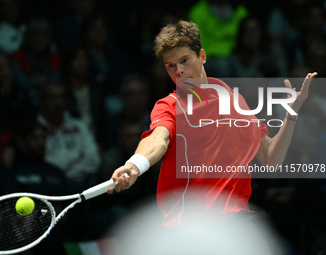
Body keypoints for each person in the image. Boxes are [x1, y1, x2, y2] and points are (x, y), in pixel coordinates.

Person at [109, 20, 317, 229]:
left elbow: (270, 158)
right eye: (170, 66)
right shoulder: (168, 106)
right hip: (191, 225)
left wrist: (291, 114)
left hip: (235, 221)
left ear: (202, 57)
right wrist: (135, 164)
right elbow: (157, 140)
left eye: (184, 60)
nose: (178, 71)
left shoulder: (235, 100)